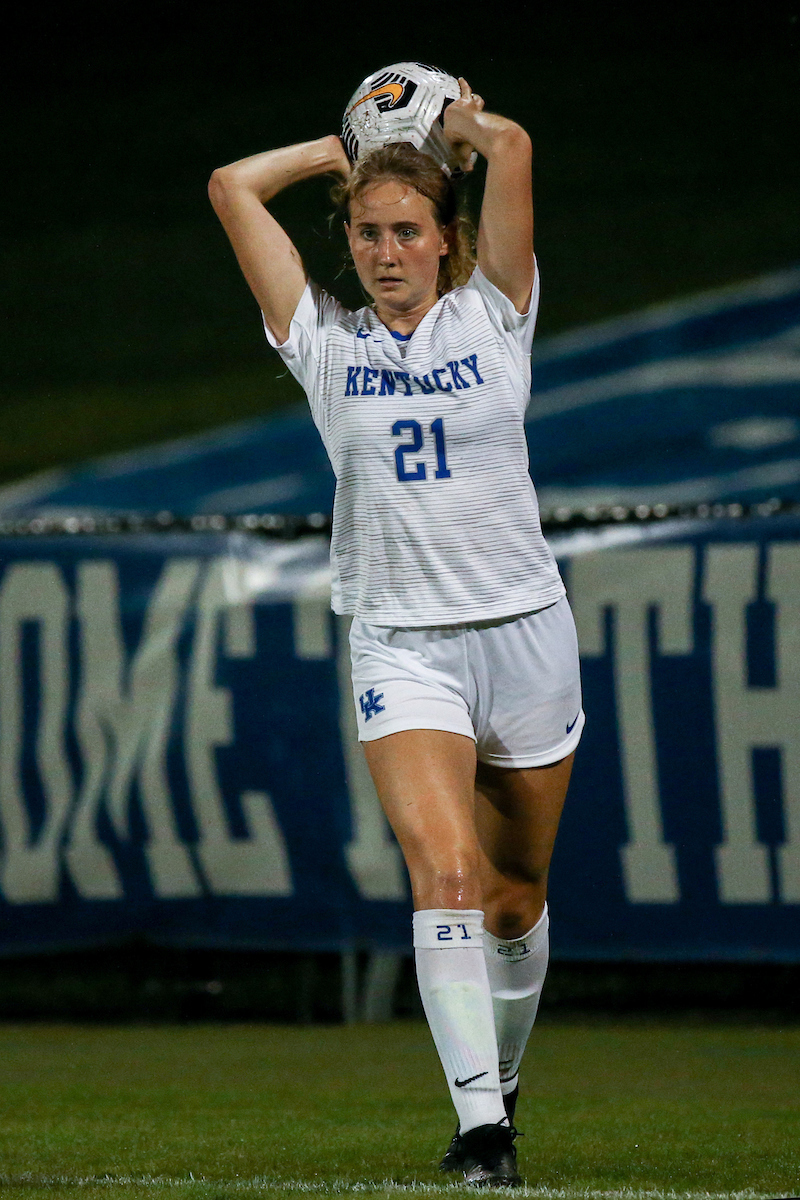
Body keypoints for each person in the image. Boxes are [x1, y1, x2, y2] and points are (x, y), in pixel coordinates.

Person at [209, 77, 584, 1188]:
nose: (383, 250)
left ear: (443, 238)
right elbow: (232, 186)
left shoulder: (496, 311)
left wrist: (449, 126)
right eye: (367, 233)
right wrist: (343, 150)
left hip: (522, 629)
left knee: (516, 896)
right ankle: (481, 1133)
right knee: (448, 877)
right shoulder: (323, 346)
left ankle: (499, 1079)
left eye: (405, 230)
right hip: (400, 643)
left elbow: (511, 138)